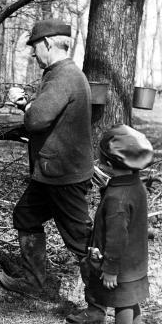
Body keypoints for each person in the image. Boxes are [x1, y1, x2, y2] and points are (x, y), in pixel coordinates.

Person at [0, 19, 95, 301]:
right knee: (26, 216)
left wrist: (24, 105)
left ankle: (99, 304)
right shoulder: (63, 74)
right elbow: (48, 111)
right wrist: (27, 104)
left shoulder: (63, 76)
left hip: (64, 176)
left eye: (35, 47)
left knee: (81, 241)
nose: (33, 54)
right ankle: (34, 282)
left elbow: (38, 119)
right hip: (53, 172)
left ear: (48, 44)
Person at [66, 124, 153, 324]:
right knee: (131, 302)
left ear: (110, 165)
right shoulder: (135, 185)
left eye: (101, 160)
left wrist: (110, 269)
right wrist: (108, 187)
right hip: (135, 263)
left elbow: (116, 237)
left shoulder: (117, 199)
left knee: (122, 304)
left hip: (120, 265)